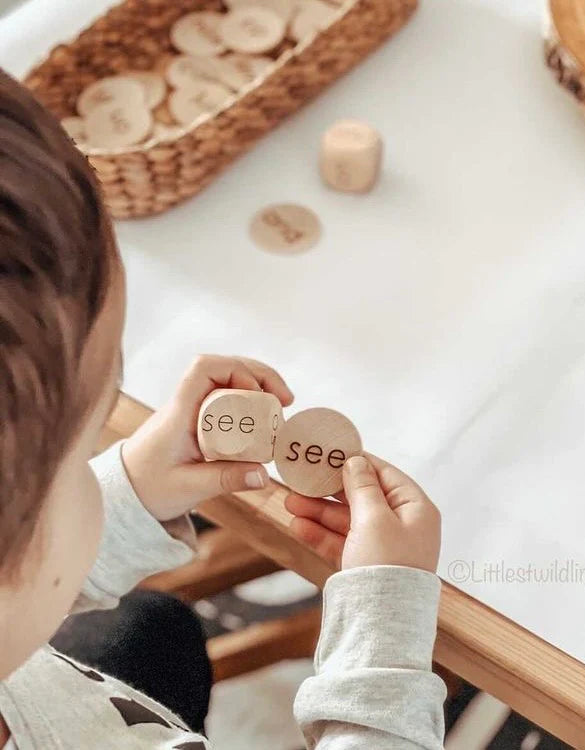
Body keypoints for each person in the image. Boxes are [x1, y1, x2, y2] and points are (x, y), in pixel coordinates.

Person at [0, 68, 446, 749]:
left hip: (55, 690)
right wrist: (384, 631)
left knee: (158, 632)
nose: (98, 463)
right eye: (84, 452)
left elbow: (25, 586)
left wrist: (135, 484)